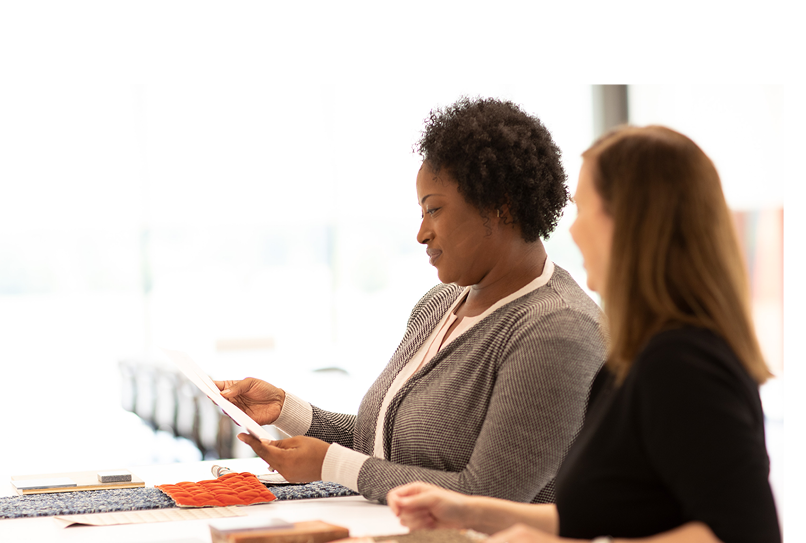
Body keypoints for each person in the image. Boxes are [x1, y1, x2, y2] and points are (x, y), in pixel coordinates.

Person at [388, 125, 782, 543]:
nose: (571, 231)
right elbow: (611, 520)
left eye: (582, 208)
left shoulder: (683, 364)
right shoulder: (636, 359)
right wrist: (471, 512)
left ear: (629, 220)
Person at [218, 97, 605, 504]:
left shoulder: (557, 329)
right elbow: (388, 444)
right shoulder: (440, 304)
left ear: (500, 207)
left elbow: (490, 494)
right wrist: (286, 411)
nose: (422, 234)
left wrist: (332, 465)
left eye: (434, 209)